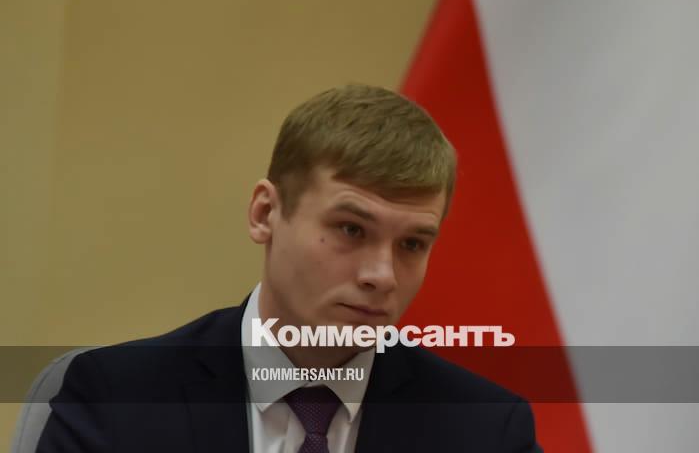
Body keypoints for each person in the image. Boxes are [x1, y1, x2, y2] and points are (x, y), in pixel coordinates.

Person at [37, 84, 542, 452]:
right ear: (265, 214)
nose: (382, 275)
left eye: (412, 244)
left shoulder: (487, 431)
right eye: (351, 229)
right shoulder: (118, 400)